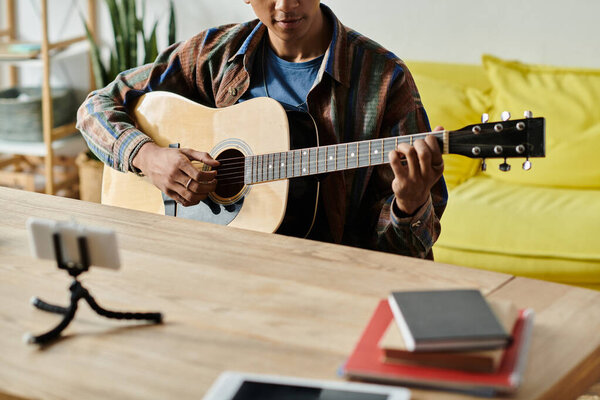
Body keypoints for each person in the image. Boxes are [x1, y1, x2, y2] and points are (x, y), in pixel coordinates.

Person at [77, 0, 447, 259]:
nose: (286, 5)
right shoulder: (215, 53)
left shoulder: (383, 78)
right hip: (214, 265)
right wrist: (149, 156)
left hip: (331, 280)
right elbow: (95, 108)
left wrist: (410, 205)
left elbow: (406, 250)